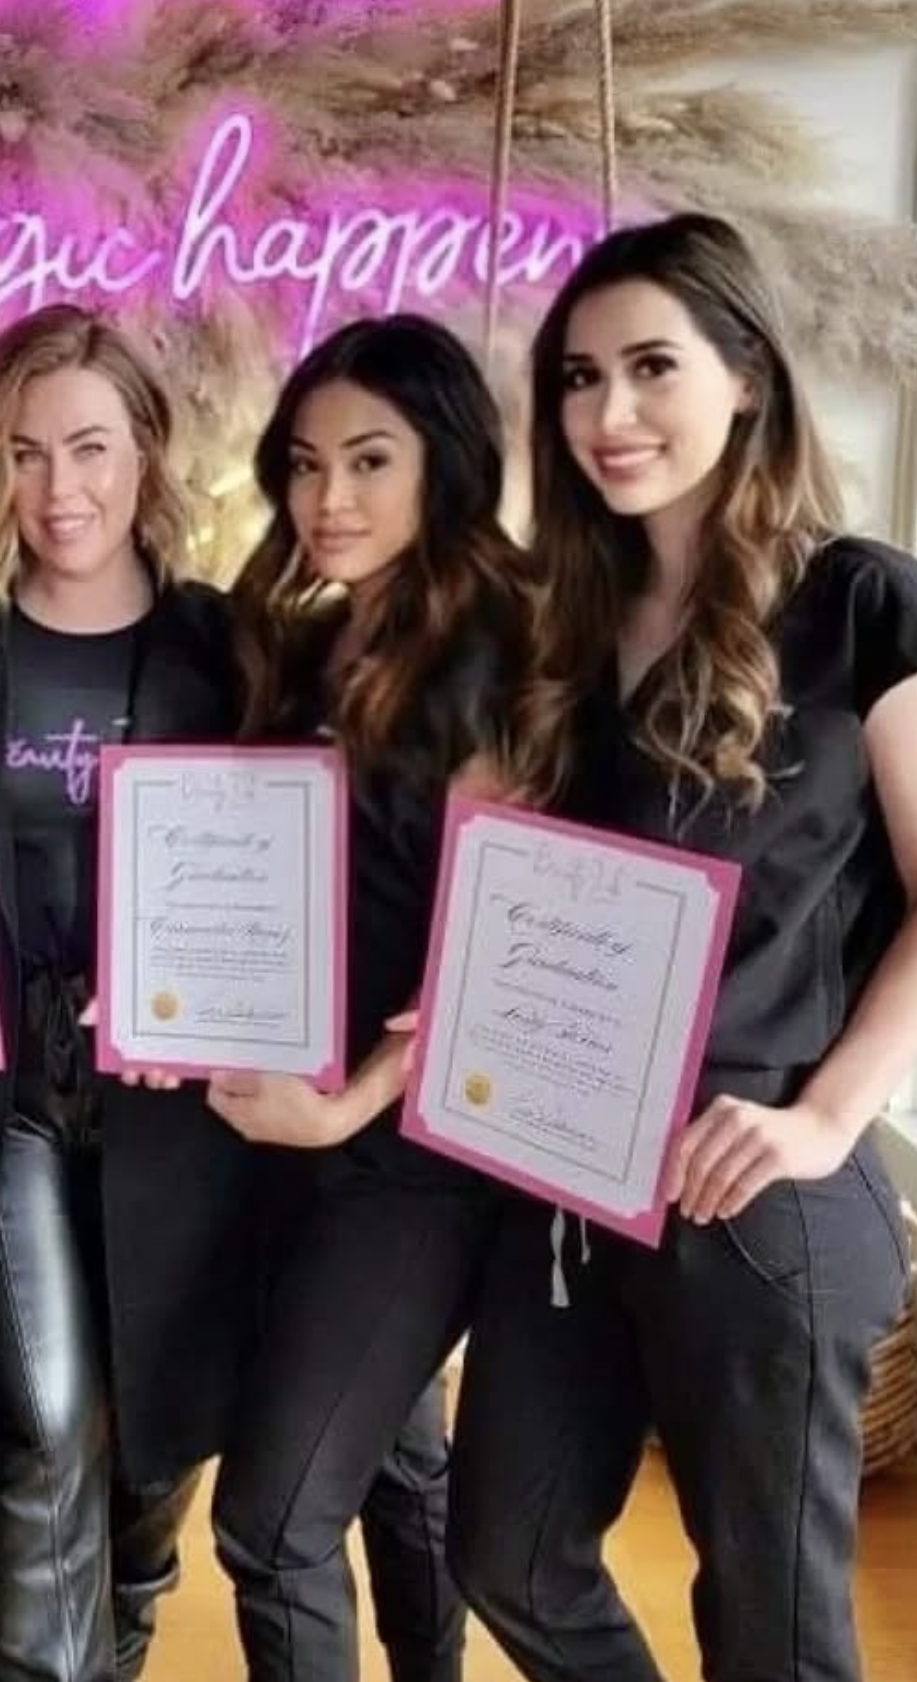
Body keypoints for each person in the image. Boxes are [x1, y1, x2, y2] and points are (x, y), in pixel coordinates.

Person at [446, 212, 916, 1682]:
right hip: (570, 1178)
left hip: (752, 1184)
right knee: (506, 1552)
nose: (609, 413)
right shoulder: (560, 623)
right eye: (579, 379)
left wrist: (822, 1119)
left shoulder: (860, 600)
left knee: (769, 1629)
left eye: (651, 367)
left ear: (747, 378)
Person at [0, 303, 257, 1682]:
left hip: (172, 1095)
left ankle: (131, 1595)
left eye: (91, 448)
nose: (61, 490)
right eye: (27, 452)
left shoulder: (228, 649)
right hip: (8, 1090)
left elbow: (296, 860)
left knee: (158, 1420)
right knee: (42, 1412)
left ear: (148, 451)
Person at [207, 313, 544, 1682]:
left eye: (368, 461)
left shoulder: (500, 652)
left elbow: (492, 936)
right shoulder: (304, 644)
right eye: (302, 463)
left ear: (445, 463)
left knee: (272, 1517)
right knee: (397, 1453)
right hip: (304, 1121)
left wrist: (342, 1101)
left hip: (415, 1149)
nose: (326, 498)